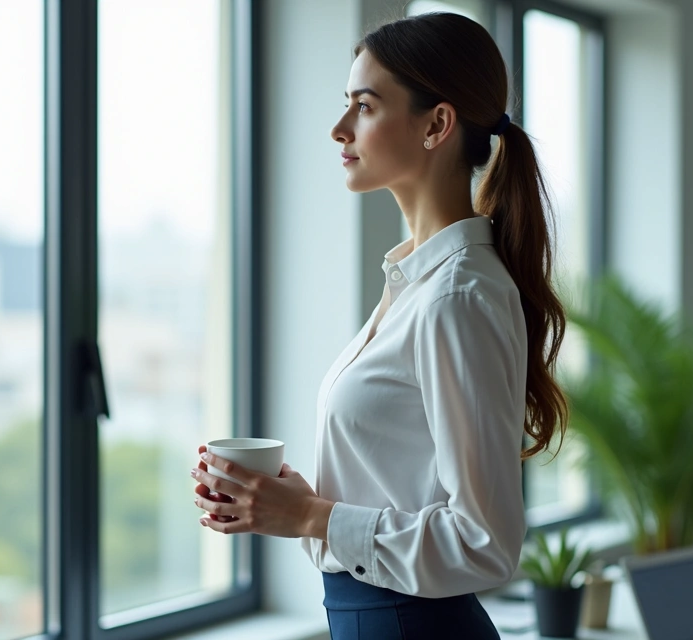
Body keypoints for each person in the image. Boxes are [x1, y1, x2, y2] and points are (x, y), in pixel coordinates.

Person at [190, 11, 569, 639]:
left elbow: (485, 544)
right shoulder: (416, 284)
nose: (339, 129)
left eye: (364, 107)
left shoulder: (457, 295)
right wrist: (290, 504)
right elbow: (401, 493)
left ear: (437, 125)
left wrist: (313, 516)